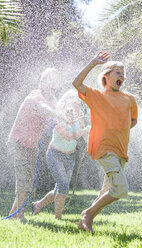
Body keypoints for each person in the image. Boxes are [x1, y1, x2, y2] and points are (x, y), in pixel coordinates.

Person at [72, 51, 138, 234]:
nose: (122, 76)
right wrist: (93, 63)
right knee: (120, 189)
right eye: (117, 72)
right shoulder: (96, 96)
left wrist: (117, 129)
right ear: (106, 76)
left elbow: (133, 121)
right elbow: (76, 84)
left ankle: (84, 221)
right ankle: (87, 215)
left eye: (123, 73)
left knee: (107, 190)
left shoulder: (130, 99)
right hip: (103, 148)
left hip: (120, 151)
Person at [7, 67, 61, 223]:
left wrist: (67, 118)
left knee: (29, 182)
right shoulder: (34, 96)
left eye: (56, 81)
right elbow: (44, 109)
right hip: (19, 142)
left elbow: (57, 118)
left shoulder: (54, 101)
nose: (54, 84)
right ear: (42, 83)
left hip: (32, 145)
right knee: (24, 179)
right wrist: (58, 115)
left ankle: (12, 215)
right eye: (51, 80)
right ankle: (20, 216)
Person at [31, 89, 90, 219]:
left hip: (70, 157)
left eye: (78, 104)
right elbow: (70, 136)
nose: (76, 106)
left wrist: (89, 137)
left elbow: (83, 134)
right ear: (66, 102)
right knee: (63, 186)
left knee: (60, 188)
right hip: (55, 155)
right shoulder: (57, 117)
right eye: (74, 103)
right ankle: (58, 217)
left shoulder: (78, 116)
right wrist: (84, 130)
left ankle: (38, 204)